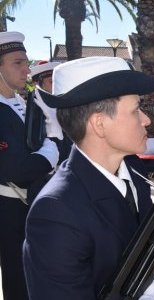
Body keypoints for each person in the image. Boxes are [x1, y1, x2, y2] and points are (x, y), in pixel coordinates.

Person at [23, 56, 154, 299]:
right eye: (135, 110)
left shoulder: (132, 171)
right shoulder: (57, 213)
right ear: (99, 124)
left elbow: (138, 259)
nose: (146, 120)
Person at [0, 31, 59, 300]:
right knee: (18, 283)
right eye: (17, 63)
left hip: (33, 205)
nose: (26, 68)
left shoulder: (21, 101)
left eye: (26, 61)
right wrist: (53, 148)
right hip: (11, 212)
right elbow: (19, 172)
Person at [30, 61, 73, 163]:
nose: (55, 85)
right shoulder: (34, 103)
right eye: (51, 81)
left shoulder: (58, 99)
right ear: (37, 83)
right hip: (49, 152)